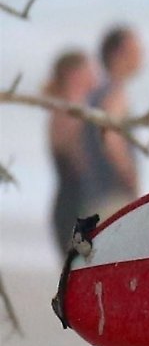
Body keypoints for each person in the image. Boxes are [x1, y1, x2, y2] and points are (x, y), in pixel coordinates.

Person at [74, 24, 144, 223]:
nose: (140, 56)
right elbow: (111, 139)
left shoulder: (95, 95)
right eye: (134, 50)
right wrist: (130, 177)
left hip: (94, 195)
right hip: (113, 198)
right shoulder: (113, 94)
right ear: (117, 55)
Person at [44, 49, 98, 254]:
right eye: (89, 70)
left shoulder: (66, 108)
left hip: (70, 201)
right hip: (75, 205)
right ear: (73, 75)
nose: (94, 76)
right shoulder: (70, 111)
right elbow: (81, 163)